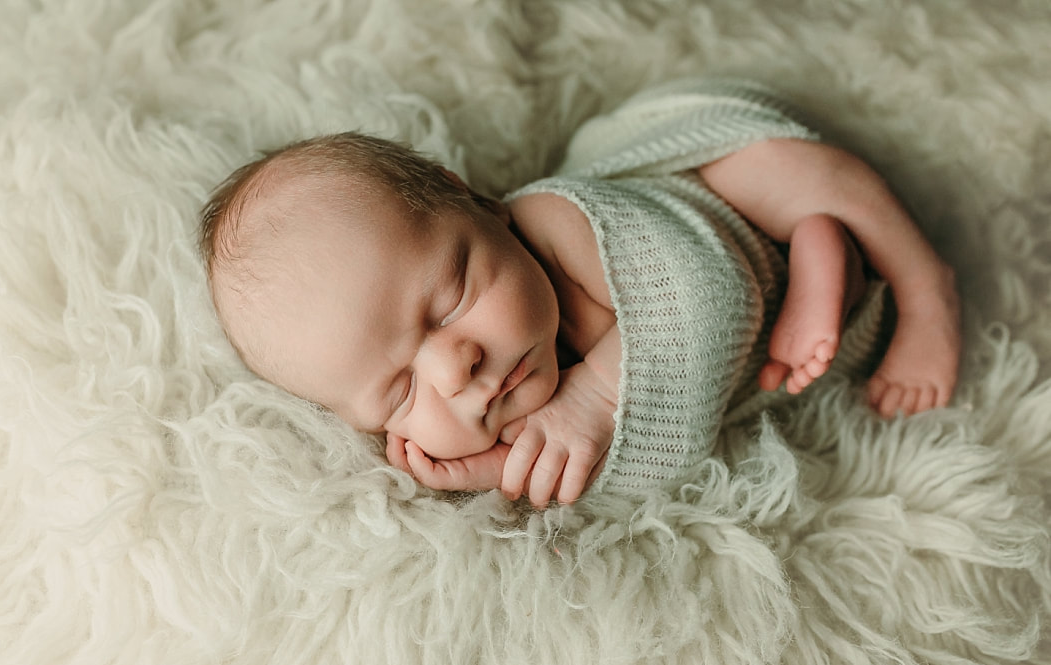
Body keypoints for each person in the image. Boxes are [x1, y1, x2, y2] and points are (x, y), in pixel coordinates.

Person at [198, 81, 961, 508]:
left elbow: (712, 295)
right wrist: (506, 469)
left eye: (449, 300)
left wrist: (595, 397)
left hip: (727, 212)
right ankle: (824, 265)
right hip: (786, 332)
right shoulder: (498, 400)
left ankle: (925, 288)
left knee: (784, 171)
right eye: (398, 392)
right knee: (818, 340)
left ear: (479, 205)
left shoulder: (556, 228)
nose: (454, 369)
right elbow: (658, 465)